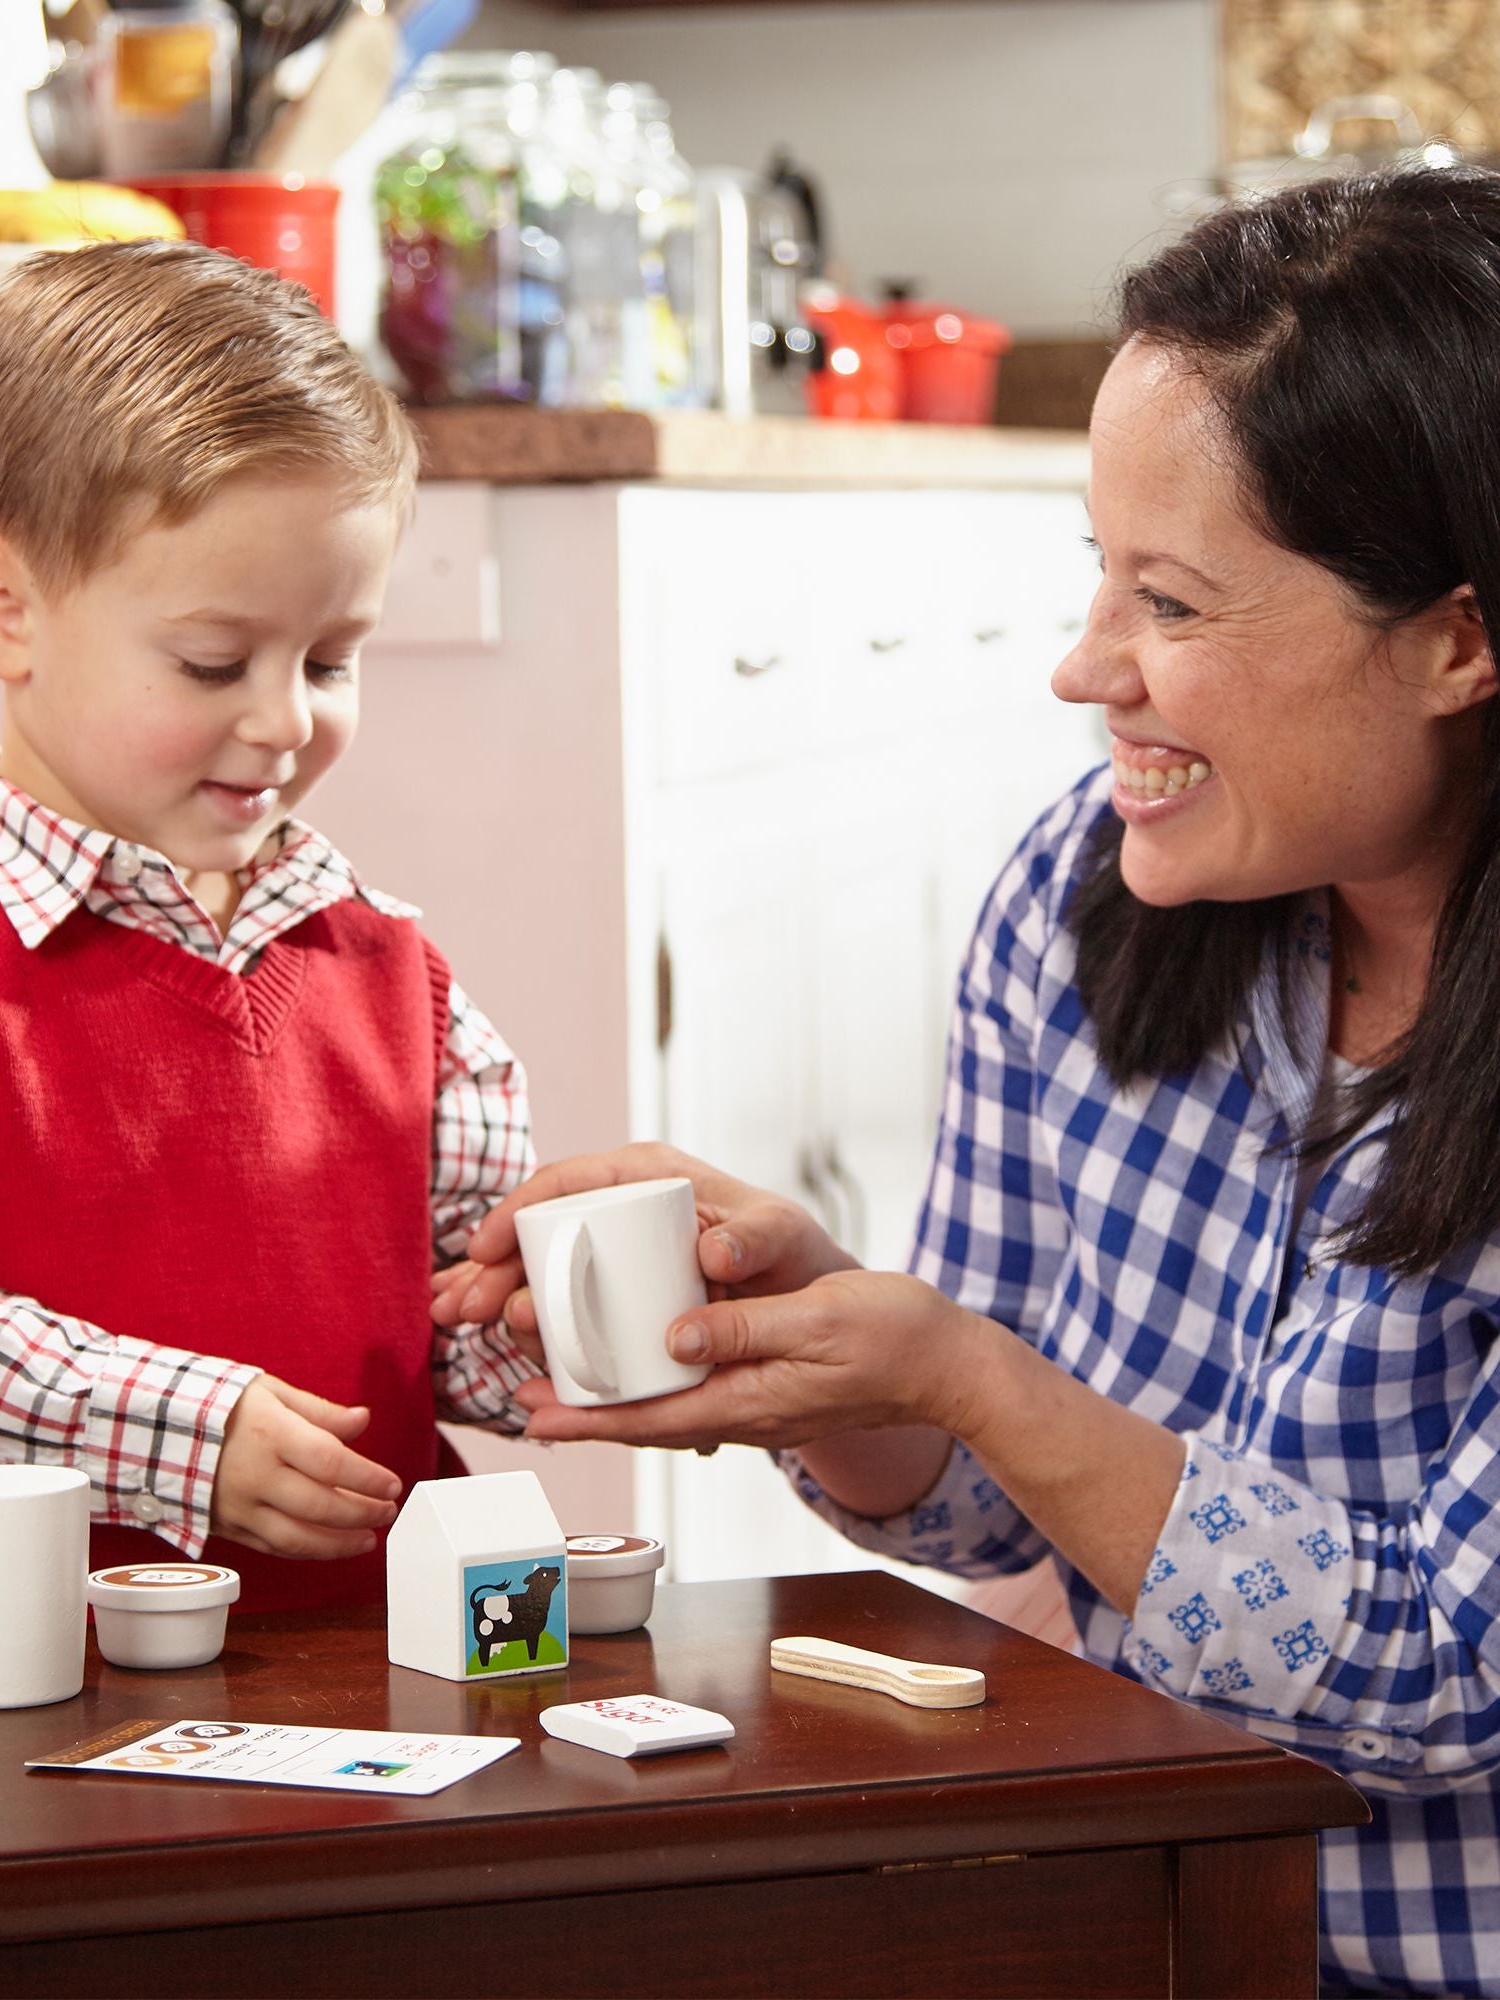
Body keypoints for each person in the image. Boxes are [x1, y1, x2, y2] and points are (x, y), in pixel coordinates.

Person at [437, 166, 1500, 1997]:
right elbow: (990, 1502)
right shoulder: (1081, 897)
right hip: (1136, 1909)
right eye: (1096, 572)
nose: (1088, 667)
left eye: (1171, 600)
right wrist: (837, 1350)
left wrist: (973, 1373)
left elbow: (1448, 1672)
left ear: (1458, 643)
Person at [0, 240, 539, 1642]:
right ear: (4, 609)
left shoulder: (395, 970)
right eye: (216, 664)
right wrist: (180, 1434)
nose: (286, 719)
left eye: (332, 659)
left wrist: (588, 1323)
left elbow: (460, 1314)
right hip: (9, 1718)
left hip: (378, 1683)